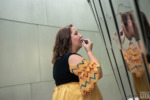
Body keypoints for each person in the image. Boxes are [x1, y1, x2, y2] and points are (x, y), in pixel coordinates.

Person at [52, 24, 103, 100]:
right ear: (67, 39)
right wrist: (89, 51)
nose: (81, 35)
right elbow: (98, 73)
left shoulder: (58, 61)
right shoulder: (72, 58)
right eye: (76, 33)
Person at [117, 11, 149, 100]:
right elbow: (131, 67)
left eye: (123, 23)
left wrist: (121, 46)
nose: (122, 27)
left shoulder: (143, 46)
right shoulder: (140, 45)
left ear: (134, 23)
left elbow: (135, 68)